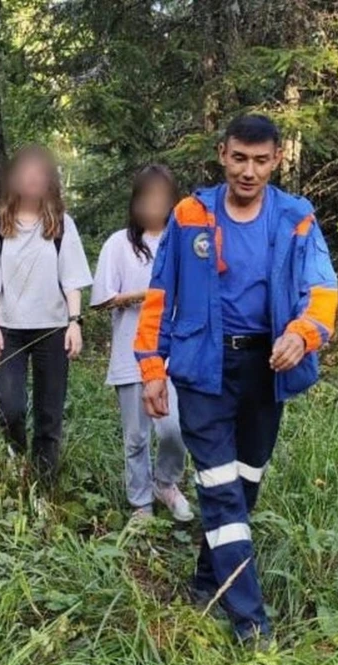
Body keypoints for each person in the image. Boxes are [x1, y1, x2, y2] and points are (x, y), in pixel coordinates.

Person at [133, 114, 338, 644]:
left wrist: (303, 333)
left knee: (244, 486)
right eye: (239, 158)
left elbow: (322, 289)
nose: (249, 171)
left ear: (276, 160)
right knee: (222, 492)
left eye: (261, 160)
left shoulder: (296, 218)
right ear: (223, 154)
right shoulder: (189, 215)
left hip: (267, 370)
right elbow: (160, 295)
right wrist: (152, 367)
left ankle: (207, 582)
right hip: (202, 367)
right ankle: (251, 621)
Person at [0, 145, 93, 486]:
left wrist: (74, 323)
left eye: (40, 174)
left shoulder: (62, 225)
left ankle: (42, 486)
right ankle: (15, 451)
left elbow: (72, 280)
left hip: (53, 331)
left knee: (49, 413)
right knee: (8, 405)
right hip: (9, 330)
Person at [90, 165, 194, 523]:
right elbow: (102, 299)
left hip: (173, 354)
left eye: (162, 198)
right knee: (135, 437)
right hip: (129, 353)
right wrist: (142, 296)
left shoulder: (181, 242)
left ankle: (166, 483)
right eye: (147, 197)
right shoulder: (119, 244)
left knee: (175, 429)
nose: (154, 205)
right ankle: (141, 503)